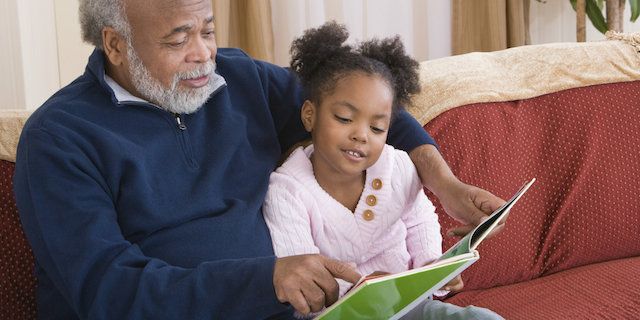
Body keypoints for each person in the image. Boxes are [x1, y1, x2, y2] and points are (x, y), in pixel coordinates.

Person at [12, 0, 504, 319]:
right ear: (115, 44)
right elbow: (109, 293)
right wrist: (265, 278)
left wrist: (444, 184)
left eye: (207, 30)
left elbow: (367, 111)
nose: (204, 54)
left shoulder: (239, 78)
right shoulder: (60, 139)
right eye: (178, 39)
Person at [262, 22, 503, 319]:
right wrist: (360, 291)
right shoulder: (286, 191)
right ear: (310, 115)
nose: (362, 135)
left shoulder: (396, 164)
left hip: (408, 307)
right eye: (344, 118)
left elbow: (419, 220)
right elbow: (303, 278)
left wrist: (433, 266)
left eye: (377, 127)